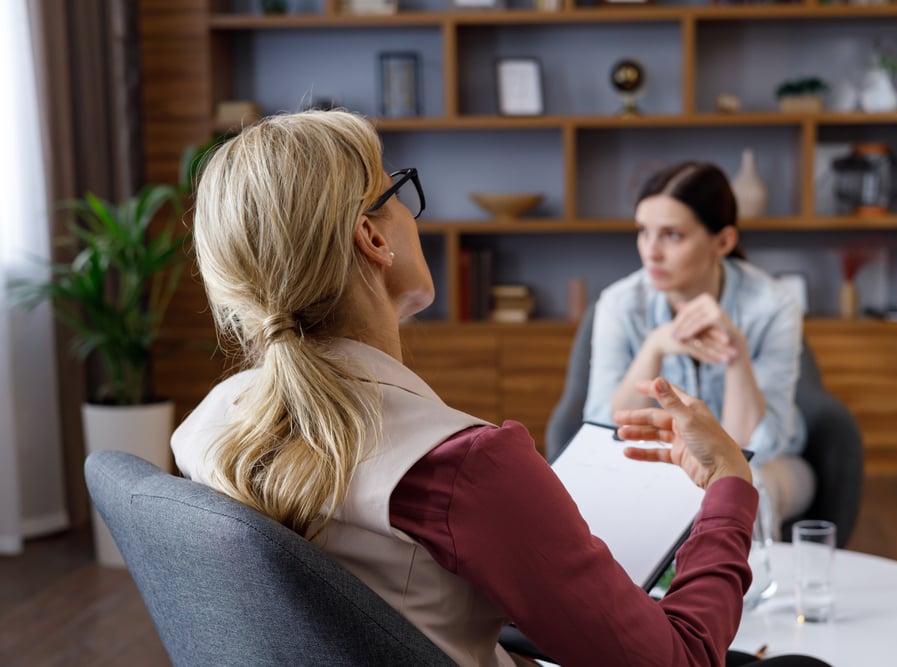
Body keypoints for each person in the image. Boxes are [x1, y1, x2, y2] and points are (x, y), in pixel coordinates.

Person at [171, 110, 807, 667]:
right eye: (398, 192)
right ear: (372, 239)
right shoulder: (463, 468)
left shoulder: (206, 429)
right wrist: (728, 484)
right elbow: (681, 660)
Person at [583, 161, 815, 524]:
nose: (651, 252)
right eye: (644, 232)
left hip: (767, 465)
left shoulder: (773, 305)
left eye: (672, 235)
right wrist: (655, 347)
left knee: (749, 491)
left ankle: (738, 584)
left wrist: (735, 353)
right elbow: (603, 431)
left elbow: (753, 446)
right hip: (656, 461)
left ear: (723, 241)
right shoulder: (620, 303)